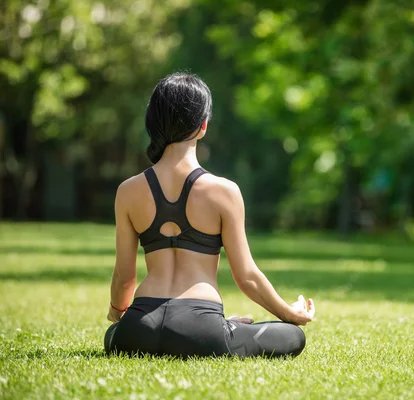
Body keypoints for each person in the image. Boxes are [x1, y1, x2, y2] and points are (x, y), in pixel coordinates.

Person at [103, 72, 315, 359]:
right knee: (293, 336)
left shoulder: (128, 191)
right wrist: (290, 313)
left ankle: (215, 328)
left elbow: (125, 277)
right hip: (200, 330)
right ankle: (224, 329)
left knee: (112, 336)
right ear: (203, 126)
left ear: (152, 122)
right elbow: (247, 277)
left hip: (139, 328)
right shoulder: (224, 191)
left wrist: (118, 313)